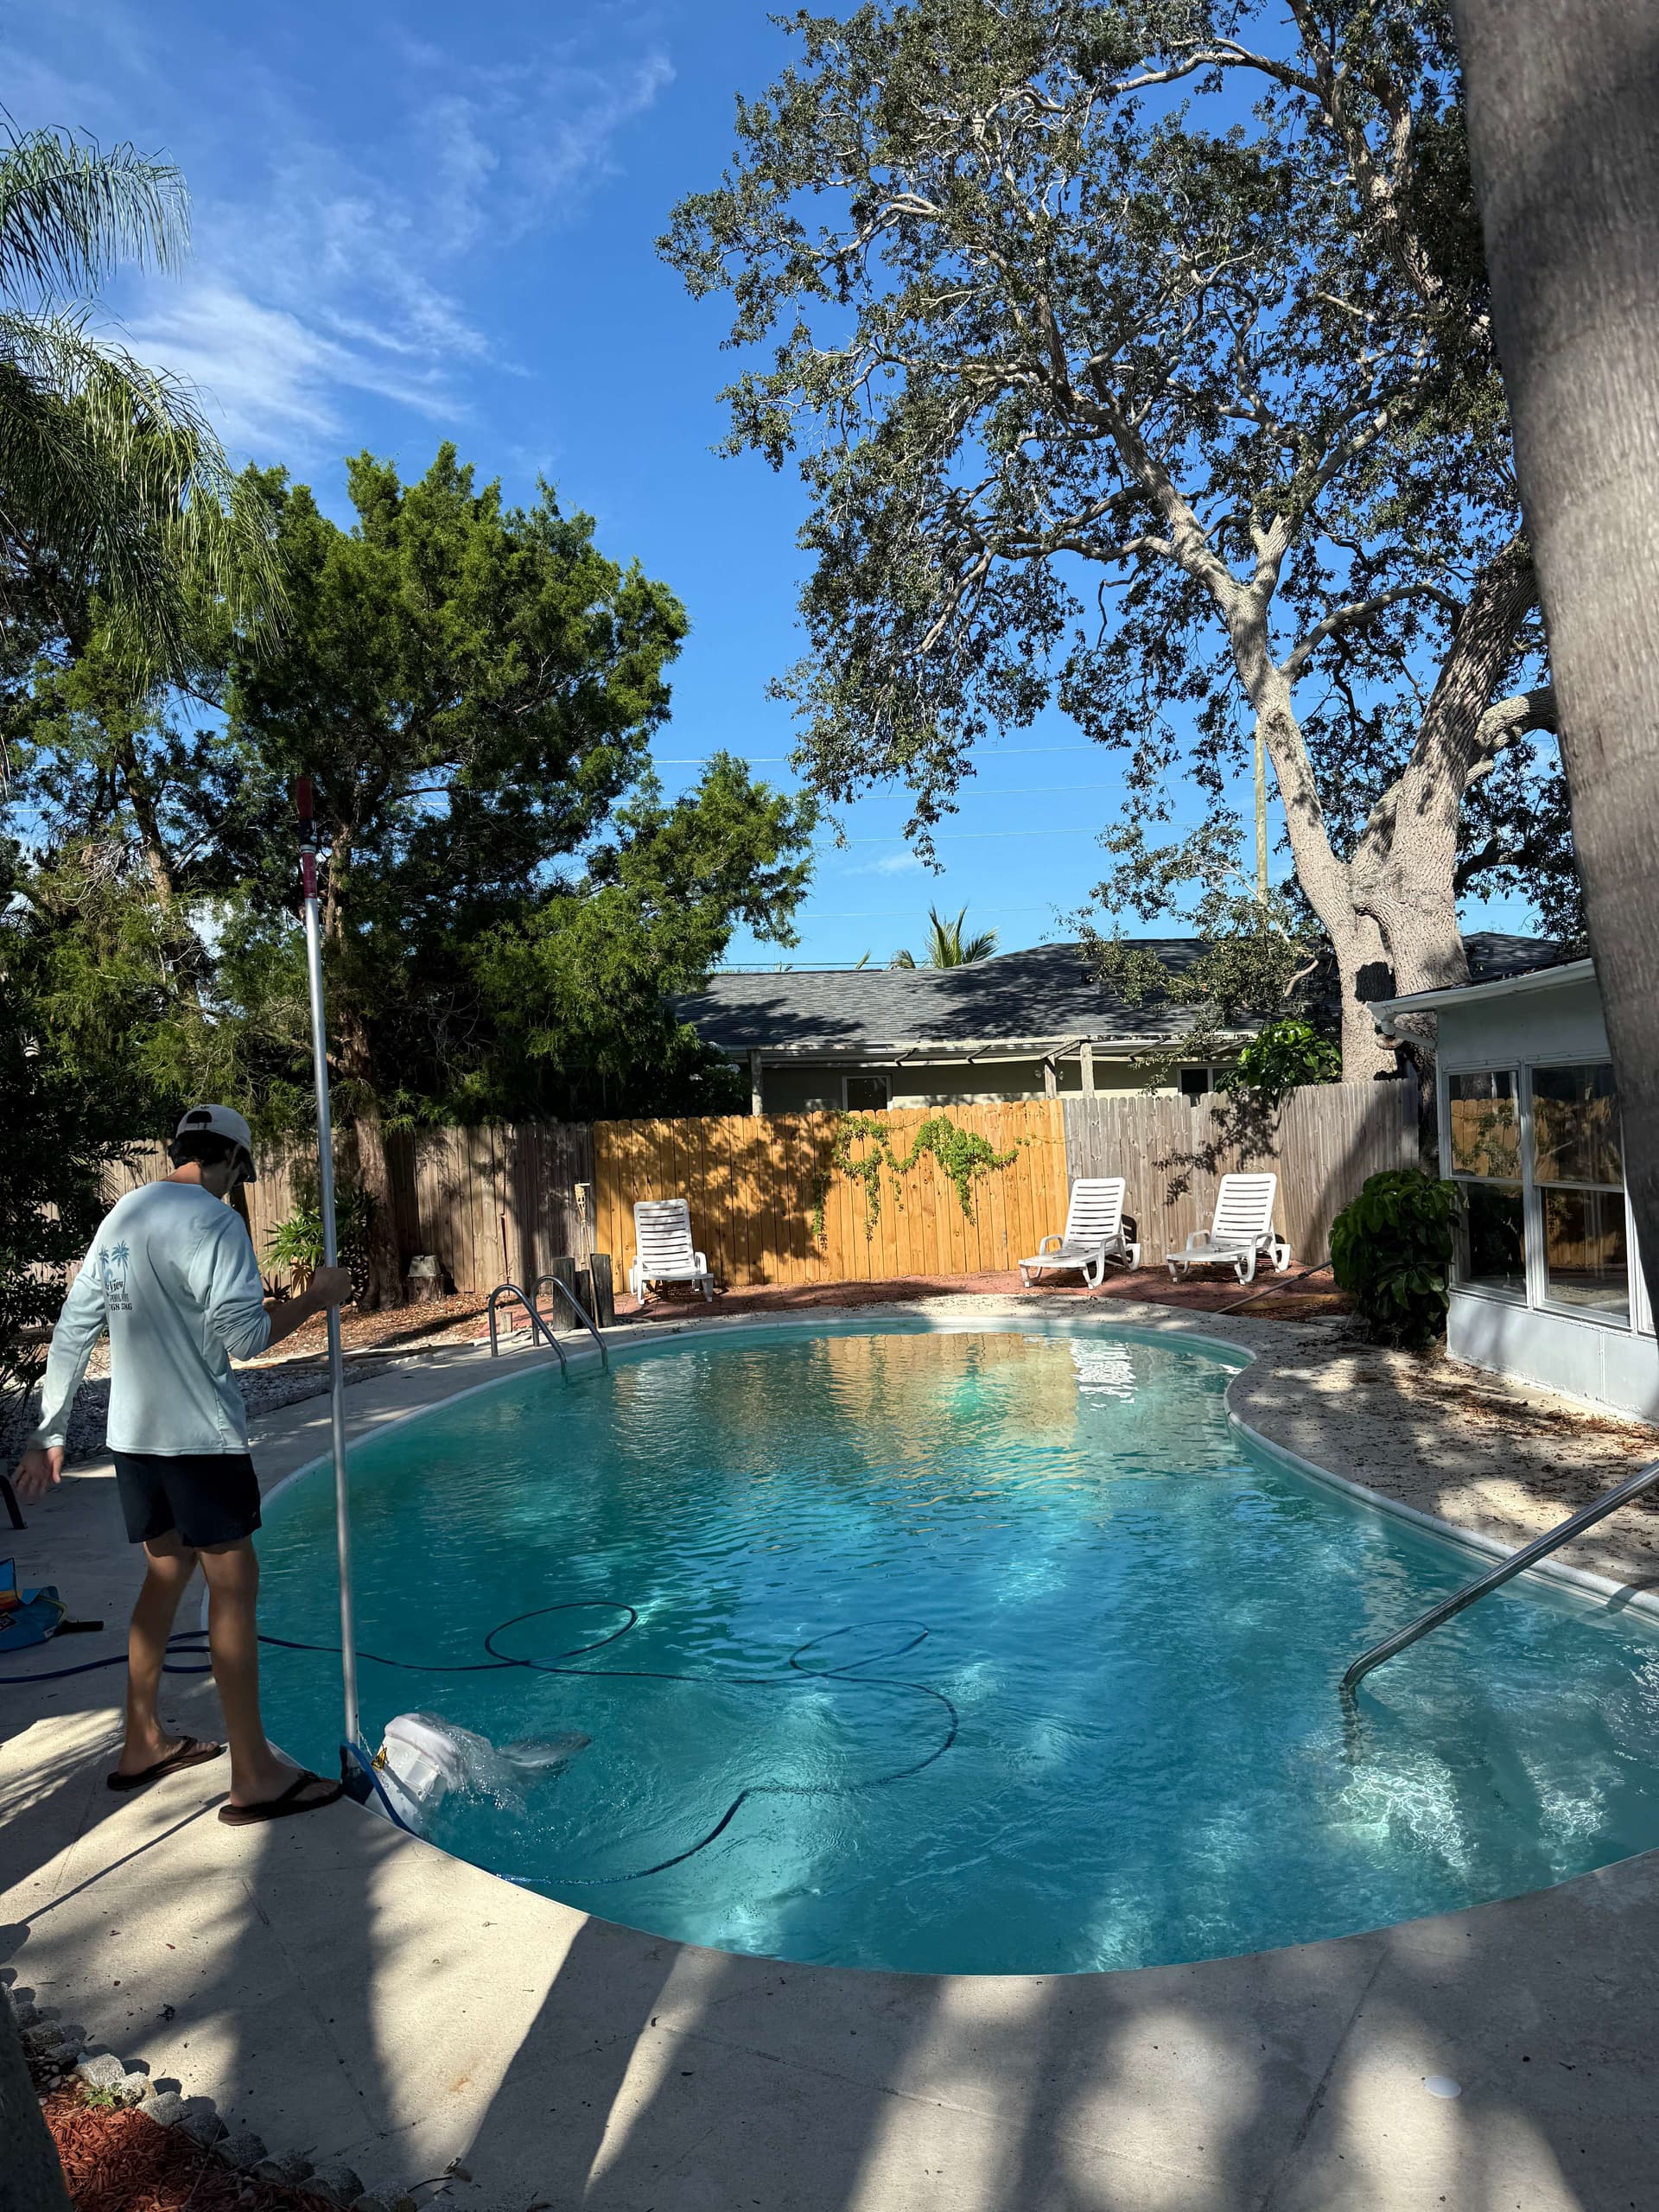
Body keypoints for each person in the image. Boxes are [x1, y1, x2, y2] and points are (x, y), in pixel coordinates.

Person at [13, 1104, 355, 1824]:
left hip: (133, 1441)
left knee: (166, 1572)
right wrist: (316, 1298)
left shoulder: (123, 1216)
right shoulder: (214, 1220)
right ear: (230, 1158)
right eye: (240, 1171)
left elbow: (74, 1329)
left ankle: (141, 1740)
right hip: (199, 1442)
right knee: (234, 1588)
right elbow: (245, 1337)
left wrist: (49, 1434)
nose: (238, 1185)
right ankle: (254, 1774)